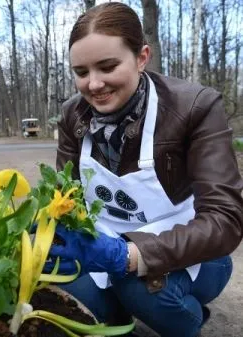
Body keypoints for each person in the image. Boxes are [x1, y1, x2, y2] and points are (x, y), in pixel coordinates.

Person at [47, 2, 243, 337]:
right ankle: (120, 310)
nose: (93, 85)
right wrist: (53, 237)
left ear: (142, 57)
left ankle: (190, 318)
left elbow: (226, 219)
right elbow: (65, 197)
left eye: (107, 67)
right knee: (70, 294)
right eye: (81, 72)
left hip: (196, 253)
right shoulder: (73, 115)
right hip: (106, 246)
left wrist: (131, 256)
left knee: (140, 288)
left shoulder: (195, 106)